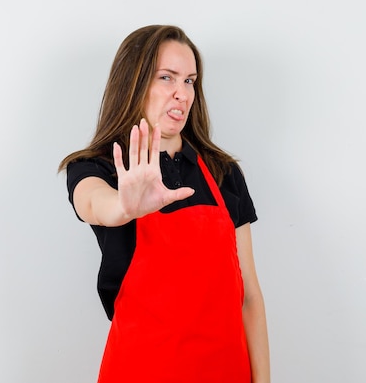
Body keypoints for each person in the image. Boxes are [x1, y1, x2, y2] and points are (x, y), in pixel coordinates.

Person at [59, 25, 270, 383]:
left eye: (189, 81)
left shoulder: (222, 172)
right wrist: (125, 207)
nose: (182, 94)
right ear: (134, 83)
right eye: (167, 77)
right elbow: (93, 203)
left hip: (226, 372)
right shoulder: (101, 168)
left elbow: (249, 295)